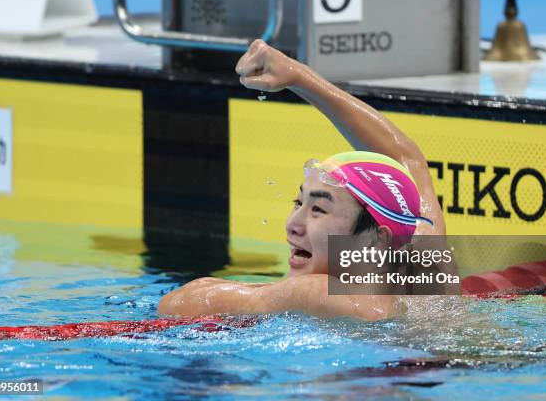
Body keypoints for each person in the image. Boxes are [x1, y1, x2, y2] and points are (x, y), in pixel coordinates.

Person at [157, 40, 446, 321]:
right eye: (298, 202)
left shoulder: (316, 293)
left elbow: (178, 304)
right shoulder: (422, 273)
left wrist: (300, 75)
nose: (292, 225)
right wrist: (296, 76)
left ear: (375, 240)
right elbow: (409, 161)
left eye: (318, 209)